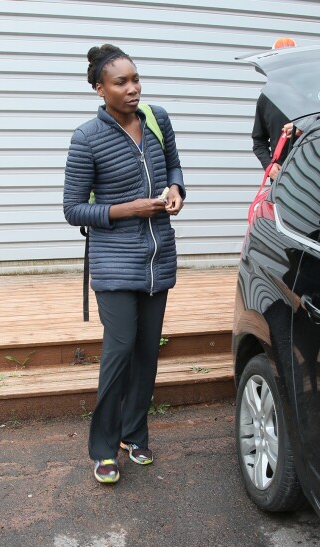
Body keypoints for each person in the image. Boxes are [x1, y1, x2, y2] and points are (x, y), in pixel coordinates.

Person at [63, 44, 185, 484]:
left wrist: (175, 190)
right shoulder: (87, 138)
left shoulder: (157, 119)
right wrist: (125, 210)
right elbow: (73, 209)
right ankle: (102, 446)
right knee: (119, 351)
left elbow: (173, 165)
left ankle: (134, 434)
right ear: (100, 89)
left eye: (136, 79)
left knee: (147, 352)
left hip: (158, 257)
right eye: (121, 82)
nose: (132, 88)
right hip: (115, 261)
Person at [251, 37, 296, 180]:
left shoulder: (311, 95)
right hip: (280, 181)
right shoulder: (266, 99)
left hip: (311, 176)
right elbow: (258, 141)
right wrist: (269, 166)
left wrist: (301, 128)